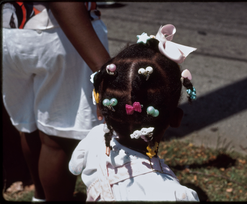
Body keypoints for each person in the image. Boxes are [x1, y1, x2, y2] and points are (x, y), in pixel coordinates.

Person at [69, 24, 200, 201]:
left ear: (101, 108)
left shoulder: (94, 139)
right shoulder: (175, 195)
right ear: (176, 119)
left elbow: (74, 167)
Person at [2, 2, 110, 201]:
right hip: (61, 32)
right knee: (59, 139)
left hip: (10, 32)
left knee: (29, 125)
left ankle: (40, 197)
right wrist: (104, 70)